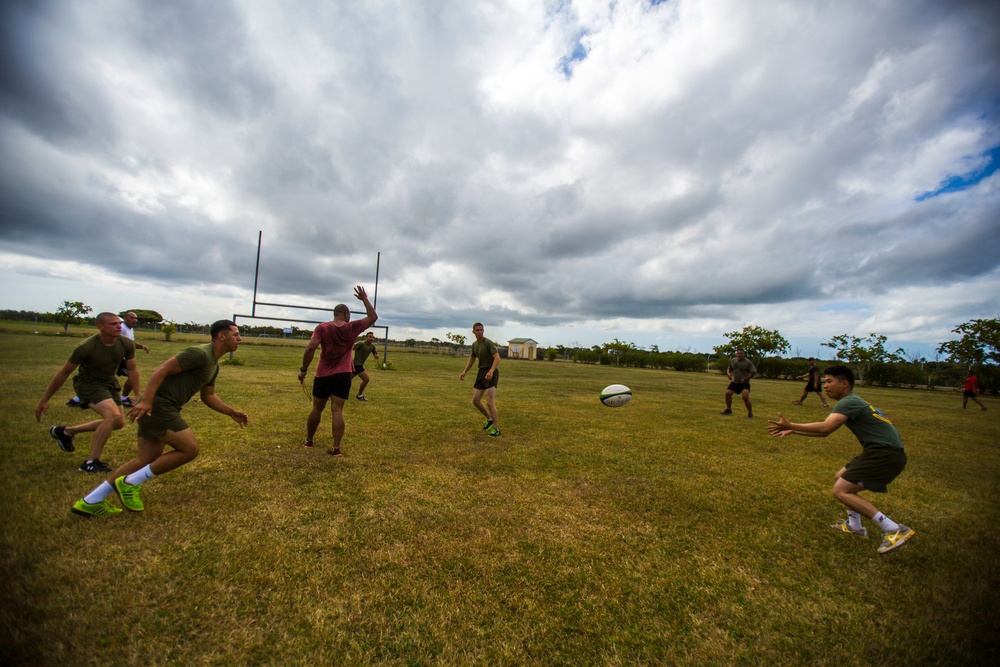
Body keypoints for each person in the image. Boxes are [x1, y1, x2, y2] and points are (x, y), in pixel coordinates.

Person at [70, 319, 248, 517]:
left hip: (160, 407)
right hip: (159, 406)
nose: (239, 338)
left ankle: (91, 501)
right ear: (221, 336)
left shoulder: (213, 364)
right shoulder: (199, 354)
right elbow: (162, 370)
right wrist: (146, 400)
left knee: (145, 459)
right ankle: (130, 483)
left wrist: (231, 412)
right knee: (189, 449)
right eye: (236, 334)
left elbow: (208, 396)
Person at [766, 365, 915, 554]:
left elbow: (826, 428)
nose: (825, 386)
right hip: (883, 452)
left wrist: (792, 424)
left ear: (844, 384)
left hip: (884, 453)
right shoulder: (852, 401)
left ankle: (893, 529)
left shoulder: (848, 402)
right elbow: (825, 434)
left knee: (841, 491)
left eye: (829, 381)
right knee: (840, 478)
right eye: (824, 382)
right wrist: (794, 430)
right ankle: (855, 526)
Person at [36, 312, 140, 473]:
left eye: (119, 323)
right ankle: (91, 462)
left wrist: (138, 395)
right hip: (88, 384)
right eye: (113, 324)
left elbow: (132, 370)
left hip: (109, 383)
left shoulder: (126, 343)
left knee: (118, 423)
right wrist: (45, 399)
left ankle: (66, 432)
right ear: (100, 327)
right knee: (112, 416)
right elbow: (64, 372)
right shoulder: (86, 347)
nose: (119, 326)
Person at [298, 286, 378, 455]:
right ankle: (336, 448)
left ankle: (309, 441)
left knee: (317, 408)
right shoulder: (352, 327)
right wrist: (364, 298)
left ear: (335, 313)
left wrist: (303, 370)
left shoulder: (322, 328)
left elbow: (310, 348)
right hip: (343, 375)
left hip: (323, 374)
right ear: (346, 314)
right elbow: (373, 317)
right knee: (337, 410)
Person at [460, 322, 501, 437]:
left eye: (482, 330)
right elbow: (472, 359)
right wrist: (465, 371)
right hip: (481, 372)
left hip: (491, 372)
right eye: (478, 330)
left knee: (489, 401)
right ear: (473, 332)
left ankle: (496, 429)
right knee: (475, 400)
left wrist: (491, 371)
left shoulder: (488, 343)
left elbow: (497, 358)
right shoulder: (474, 345)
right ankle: (489, 419)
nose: (480, 332)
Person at [118, 311, 150, 407]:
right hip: (118, 359)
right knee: (133, 377)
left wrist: (141, 346)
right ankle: (78, 398)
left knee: (133, 377)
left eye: (136, 318)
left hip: (124, 359)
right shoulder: (122, 328)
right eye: (132, 318)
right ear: (125, 318)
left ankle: (124, 398)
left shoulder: (129, 329)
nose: (135, 320)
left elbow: (131, 343)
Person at [721, 349, 756, 419]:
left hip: (744, 383)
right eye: (738, 353)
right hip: (735, 382)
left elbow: (753, 372)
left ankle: (750, 413)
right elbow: (729, 368)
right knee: (727, 394)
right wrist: (728, 373)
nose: (740, 355)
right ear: (736, 354)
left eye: (741, 353)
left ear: (744, 354)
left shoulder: (748, 362)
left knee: (745, 397)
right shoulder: (733, 360)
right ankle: (728, 409)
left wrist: (745, 379)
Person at [352, 331, 380, 401]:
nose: (371, 338)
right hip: (356, 364)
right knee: (366, 379)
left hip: (359, 365)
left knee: (345, 380)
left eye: (372, 337)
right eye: (370, 337)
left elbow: (375, 354)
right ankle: (359, 395)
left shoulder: (372, 346)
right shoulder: (361, 343)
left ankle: (331, 393)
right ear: (366, 337)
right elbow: (350, 348)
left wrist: (376, 356)